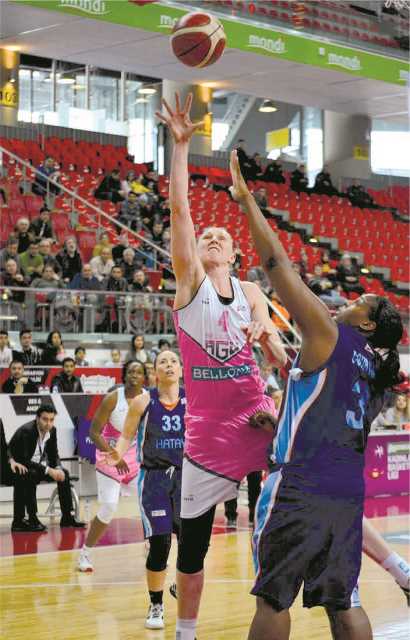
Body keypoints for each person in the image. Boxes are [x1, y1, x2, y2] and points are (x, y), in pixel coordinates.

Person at [229, 147, 404, 640]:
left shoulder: (329, 333)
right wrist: (282, 422)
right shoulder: (375, 373)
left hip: (300, 486)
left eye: (359, 301)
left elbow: (276, 263)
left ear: (367, 324)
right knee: (344, 601)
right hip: (347, 494)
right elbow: (326, 415)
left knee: (273, 598)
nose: (348, 300)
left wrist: (246, 201)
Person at [156, 93, 286, 640]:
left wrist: (264, 328)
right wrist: (181, 147)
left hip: (256, 417)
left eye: (222, 237)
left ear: (234, 255)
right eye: (206, 236)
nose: (211, 237)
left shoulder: (250, 289)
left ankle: (391, 570)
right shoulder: (190, 285)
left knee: (306, 492)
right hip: (206, 434)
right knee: (192, 550)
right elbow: (180, 212)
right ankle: (185, 632)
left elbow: (267, 325)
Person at [104, 350, 185, 630]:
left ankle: (182, 584)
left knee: (191, 544)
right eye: (163, 361)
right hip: (154, 479)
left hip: (187, 479)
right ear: (155, 372)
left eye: (174, 361)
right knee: (160, 544)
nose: (169, 365)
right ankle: (156, 604)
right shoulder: (143, 401)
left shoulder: (193, 400)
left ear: (181, 369)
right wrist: (117, 453)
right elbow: (127, 435)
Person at [77, 360, 147, 572]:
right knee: (109, 507)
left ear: (144, 377)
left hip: (135, 459)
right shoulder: (112, 398)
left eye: (139, 372)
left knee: (150, 503)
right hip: (109, 456)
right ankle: (85, 554)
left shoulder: (148, 398)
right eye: (131, 371)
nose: (134, 375)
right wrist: (115, 455)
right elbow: (94, 432)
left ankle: (152, 548)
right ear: (124, 375)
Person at [8, 404, 85, 532]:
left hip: (36, 467)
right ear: (37, 418)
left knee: (64, 473)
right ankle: (33, 518)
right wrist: (49, 470)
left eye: (51, 420)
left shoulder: (52, 431)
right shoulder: (27, 431)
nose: (48, 423)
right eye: (45, 419)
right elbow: (25, 461)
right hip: (18, 468)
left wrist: (58, 467)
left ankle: (67, 517)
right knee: (31, 474)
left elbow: (54, 454)